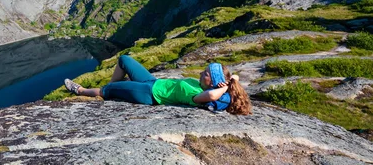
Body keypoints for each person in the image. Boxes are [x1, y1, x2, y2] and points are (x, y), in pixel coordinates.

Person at [64, 55, 252, 115]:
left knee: (110, 90)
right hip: (153, 82)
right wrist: (232, 80)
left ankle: (80, 90)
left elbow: (212, 96)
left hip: (149, 94)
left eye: (206, 73)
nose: (201, 73)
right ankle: (115, 87)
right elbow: (234, 76)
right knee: (124, 60)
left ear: (212, 82)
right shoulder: (206, 86)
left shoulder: (201, 97)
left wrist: (225, 87)